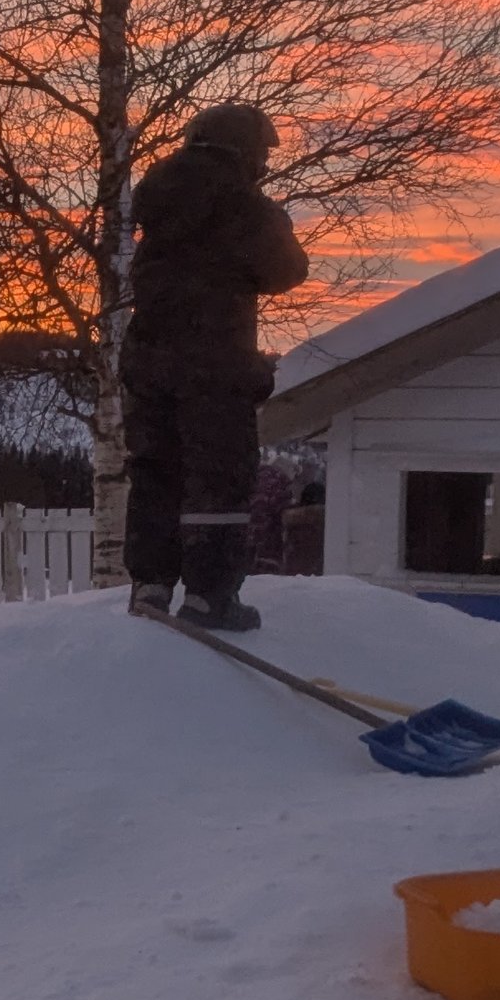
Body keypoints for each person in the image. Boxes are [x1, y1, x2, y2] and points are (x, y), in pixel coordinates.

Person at [121, 104, 308, 633]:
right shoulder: (240, 203)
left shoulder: (161, 198)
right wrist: (277, 223)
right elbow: (286, 270)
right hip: (213, 364)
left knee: (156, 471)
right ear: (242, 150)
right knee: (219, 477)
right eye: (263, 155)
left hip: (148, 360)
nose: (265, 166)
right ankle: (209, 596)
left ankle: (150, 586)